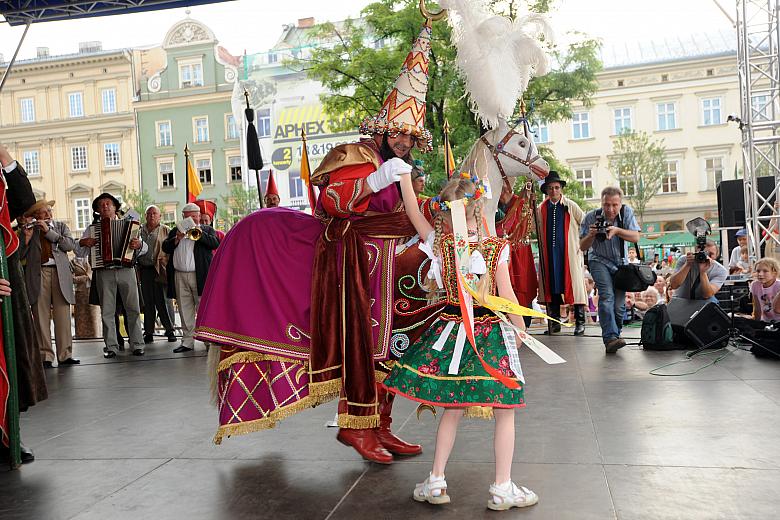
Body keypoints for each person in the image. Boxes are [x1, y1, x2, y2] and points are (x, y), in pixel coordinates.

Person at [195, 22, 440, 462]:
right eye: (397, 134)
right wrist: (372, 182)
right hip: (352, 263)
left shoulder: (404, 170)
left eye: (409, 136)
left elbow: (411, 217)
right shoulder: (359, 156)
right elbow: (332, 200)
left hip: (389, 264)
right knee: (360, 344)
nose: (403, 142)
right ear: (381, 131)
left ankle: (380, 426)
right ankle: (355, 426)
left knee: (389, 349)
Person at [382, 171, 536, 509]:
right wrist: (519, 328)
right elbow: (506, 294)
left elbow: (412, 211)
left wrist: (405, 178)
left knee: (452, 408)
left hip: (451, 332)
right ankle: (502, 486)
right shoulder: (497, 247)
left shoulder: (439, 245)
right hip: (490, 335)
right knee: (505, 410)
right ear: (479, 208)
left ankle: (436, 480)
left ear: (444, 213)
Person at [0, 144, 45, 465]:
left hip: (5, 272)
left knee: (11, 355)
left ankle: (6, 435)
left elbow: (24, 203)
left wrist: (4, 157)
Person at [75, 193, 146, 357]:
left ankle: (137, 344)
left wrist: (139, 244)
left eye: (108, 204)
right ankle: (111, 347)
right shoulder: (92, 229)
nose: (105, 206)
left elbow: (145, 248)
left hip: (126, 269)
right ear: (98, 211)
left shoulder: (130, 225)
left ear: (115, 207)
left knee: (133, 309)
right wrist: (83, 242)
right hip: (103, 271)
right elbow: (78, 251)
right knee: (107, 311)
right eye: (101, 205)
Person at [580, 186, 641, 353]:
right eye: (607, 205)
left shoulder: (626, 213)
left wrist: (617, 230)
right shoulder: (591, 217)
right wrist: (591, 235)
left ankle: (615, 335)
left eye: (615, 205)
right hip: (598, 261)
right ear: (601, 203)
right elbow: (582, 246)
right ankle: (610, 338)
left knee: (619, 306)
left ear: (621, 204)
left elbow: (635, 236)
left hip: (621, 263)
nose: (610, 209)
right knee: (607, 296)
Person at [18, 200, 78, 367]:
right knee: (40, 316)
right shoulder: (28, 231)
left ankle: (65, 355)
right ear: (36, 215)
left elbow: (69, 245)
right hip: (39, 274)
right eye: (44, 212)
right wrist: (27, 239)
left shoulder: (60, 226)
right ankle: (45, 356)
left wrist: (49, 232)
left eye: (49, 211)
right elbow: (19, 255)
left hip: (60, 274)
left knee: (63, 315)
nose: (48, 214)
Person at [162, 203, 220, 353]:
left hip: (199, 275)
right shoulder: (176, 230)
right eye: (190, 217)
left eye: (196, 216)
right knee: (184, 308)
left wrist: (199, 233)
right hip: (180, 275)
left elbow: (215, 243)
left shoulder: (206, 229)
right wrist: (177, 239)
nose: (194, 219)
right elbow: (165, 247)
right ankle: (187, 341)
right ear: (183, 217)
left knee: (203, 308)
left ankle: (208, 341)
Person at [538, 171, 588, 336]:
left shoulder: (571, 206)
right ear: (546, 190)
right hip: (549, 254)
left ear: (561, 189)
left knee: (575, 287)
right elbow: (533, 229)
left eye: (556, 188)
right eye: (551, 188)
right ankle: (555, 323)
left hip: (569, 254)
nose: (554, 191)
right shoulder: (541, 208)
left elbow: (586, 222)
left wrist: (581, 243)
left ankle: (580, 322)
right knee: (551, 286)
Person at [495, 177, 537, 327]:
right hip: (503, 251)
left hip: (519, 252)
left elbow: (527, 228)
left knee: (522, 284)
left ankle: (523, 321)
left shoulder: (521, 203)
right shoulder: (494, 205)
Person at [137, 205, 176, 344]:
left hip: (160, 270)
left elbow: (172, 250)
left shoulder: (166, 230)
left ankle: (170, 330)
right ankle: (148, 332)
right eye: (149, 213)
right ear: (145, 216)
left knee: (163, 301)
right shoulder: (139, 230)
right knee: (147, 303)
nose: (152, 216)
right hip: (144, 270)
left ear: (160, 216)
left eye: (155, 213)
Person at [667, 239, 728, 304]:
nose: (707, 257)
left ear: (716, 256)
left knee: (712, 302)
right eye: (704, 253)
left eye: (711, 254)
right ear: (697, 251)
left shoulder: (721, 270)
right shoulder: (684, 260)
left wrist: (703, 272)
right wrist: (687, 265)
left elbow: (707, 294)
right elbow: (674, 285)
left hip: (704, 301)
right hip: (681, 298)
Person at [71, 257, 100, 338]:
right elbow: (71, 278)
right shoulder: (73, 262)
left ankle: (96, 336)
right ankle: (80, 336)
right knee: (81, 317)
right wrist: (85, 278)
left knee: (94, 316)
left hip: (93, 291)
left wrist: (88, 277)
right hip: (80, 292)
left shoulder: (92, 258)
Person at [750, 258, 780, 323]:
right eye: (758, 271)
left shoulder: (778, 285)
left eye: (765, 271)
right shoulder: (755, 285)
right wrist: (756, 324)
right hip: (766, 322)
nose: (760, 274)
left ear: (774, 272)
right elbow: (757, 308)